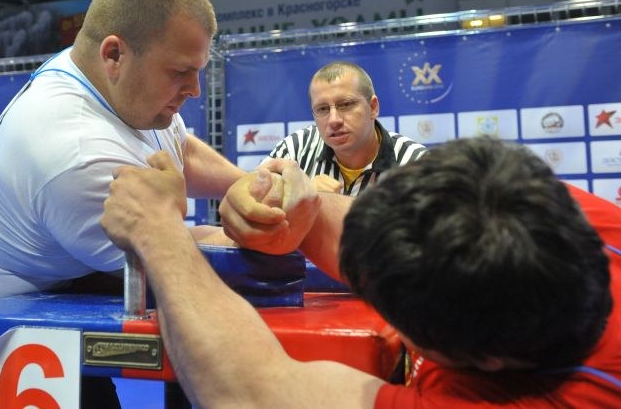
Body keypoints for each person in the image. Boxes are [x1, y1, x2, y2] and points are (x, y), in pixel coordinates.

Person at [101, 138, 621, 407]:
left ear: (486, 362)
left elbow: (252, 393)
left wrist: (156, 233)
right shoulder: (542, 214)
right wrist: (294, 211)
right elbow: (372, 228)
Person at [0, 0, 244, 407]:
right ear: (114, 54)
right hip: (1, 328)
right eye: (180, 72)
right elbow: (170, 252)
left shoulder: (104, 78)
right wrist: (284, 223)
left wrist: (247, 185)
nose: (195, 90)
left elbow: (181, 147)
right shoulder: (74, 152)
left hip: (62, 280)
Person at [268, 61, 426, 195]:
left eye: (345, 105)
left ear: (373, 107)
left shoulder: (417, 165)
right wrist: (299, 196)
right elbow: (253, 199)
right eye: (322, 109)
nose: (334, 120)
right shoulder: (294, 149)